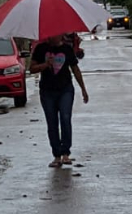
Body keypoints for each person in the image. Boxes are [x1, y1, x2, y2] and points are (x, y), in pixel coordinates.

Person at [30, 34, 89, 167]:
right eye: (54, 35)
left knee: (65, 117)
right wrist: (45, 64)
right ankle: (56, 155)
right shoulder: (41, 49)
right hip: (47, 91)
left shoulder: (67, 49)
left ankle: (66, 153)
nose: (57, 37)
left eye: (59, 34)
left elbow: (75, 69)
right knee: (52, 122)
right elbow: (32, 69)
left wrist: (83, 89)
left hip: (65, 89)